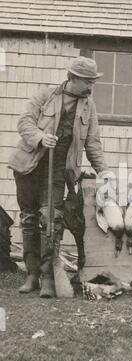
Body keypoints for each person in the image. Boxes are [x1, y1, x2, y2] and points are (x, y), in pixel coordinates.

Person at [8, 56, 108, 298]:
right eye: (87, 81)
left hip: (59, 171)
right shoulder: (45, 96)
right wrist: (41, 137)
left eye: (93, 82)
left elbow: (92, 142)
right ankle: (31, 274)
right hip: (30, 166)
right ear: (72, 78)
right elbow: (24, 123)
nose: (90, 87)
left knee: (51, 219)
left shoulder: (88, 105)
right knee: (30, 219)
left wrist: (103, 170)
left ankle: (48, 276)